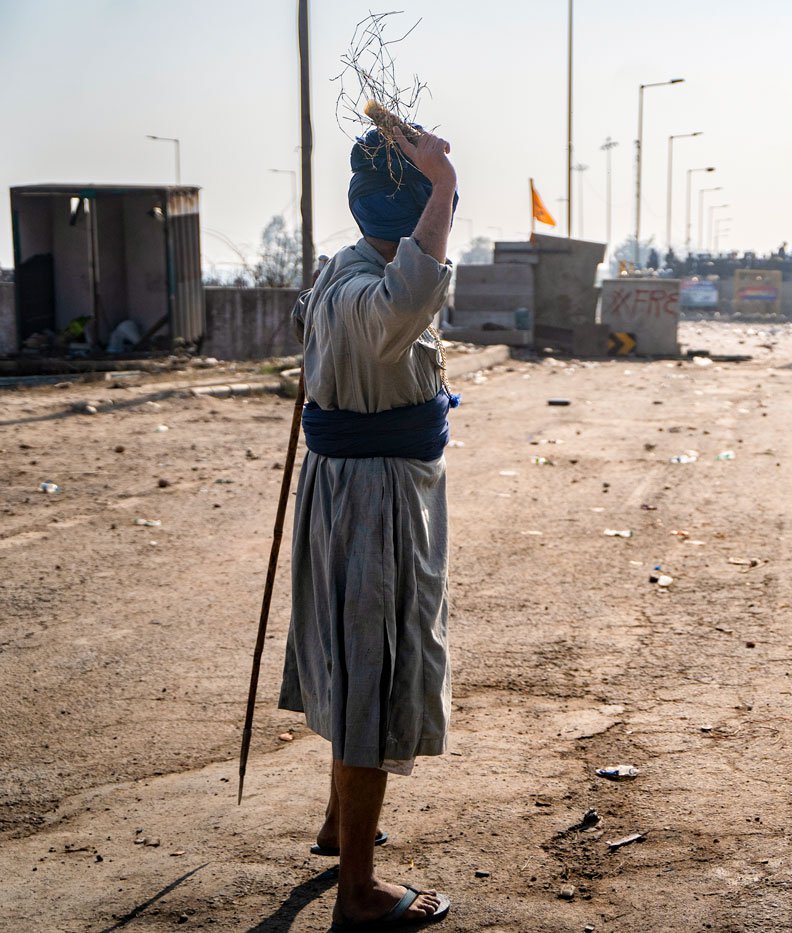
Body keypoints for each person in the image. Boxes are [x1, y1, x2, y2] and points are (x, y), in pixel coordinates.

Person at [278, 122, 458, 931]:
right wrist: (444, 182)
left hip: (366, 487)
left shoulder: (347, 269)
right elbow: (412, 297)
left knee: (357, 662)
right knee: (372, 674)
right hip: (372, 499)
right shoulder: (365, 293)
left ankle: (335, 825)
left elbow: (409, 286)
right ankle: (357, 892)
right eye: (428, 205)